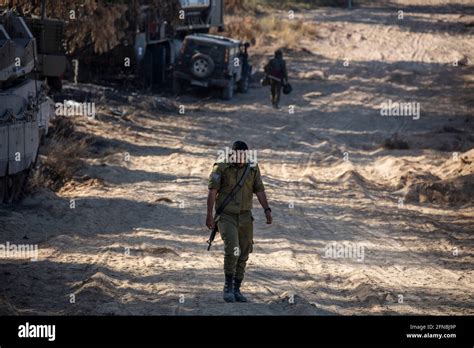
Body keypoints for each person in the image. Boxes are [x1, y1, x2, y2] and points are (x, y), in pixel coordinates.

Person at [206, 141, 272, 303]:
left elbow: (260, 190)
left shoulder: (252, 168)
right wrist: (209, 214)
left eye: (244, 155)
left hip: (245, 216)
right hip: (226, 216)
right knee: (232, 248)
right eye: (239, 155)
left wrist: (267, 210)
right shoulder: (221, 168)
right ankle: (227, 286)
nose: (242, 158)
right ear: (232, 154)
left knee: (244, 251)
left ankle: (236, 288)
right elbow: (213, 192)